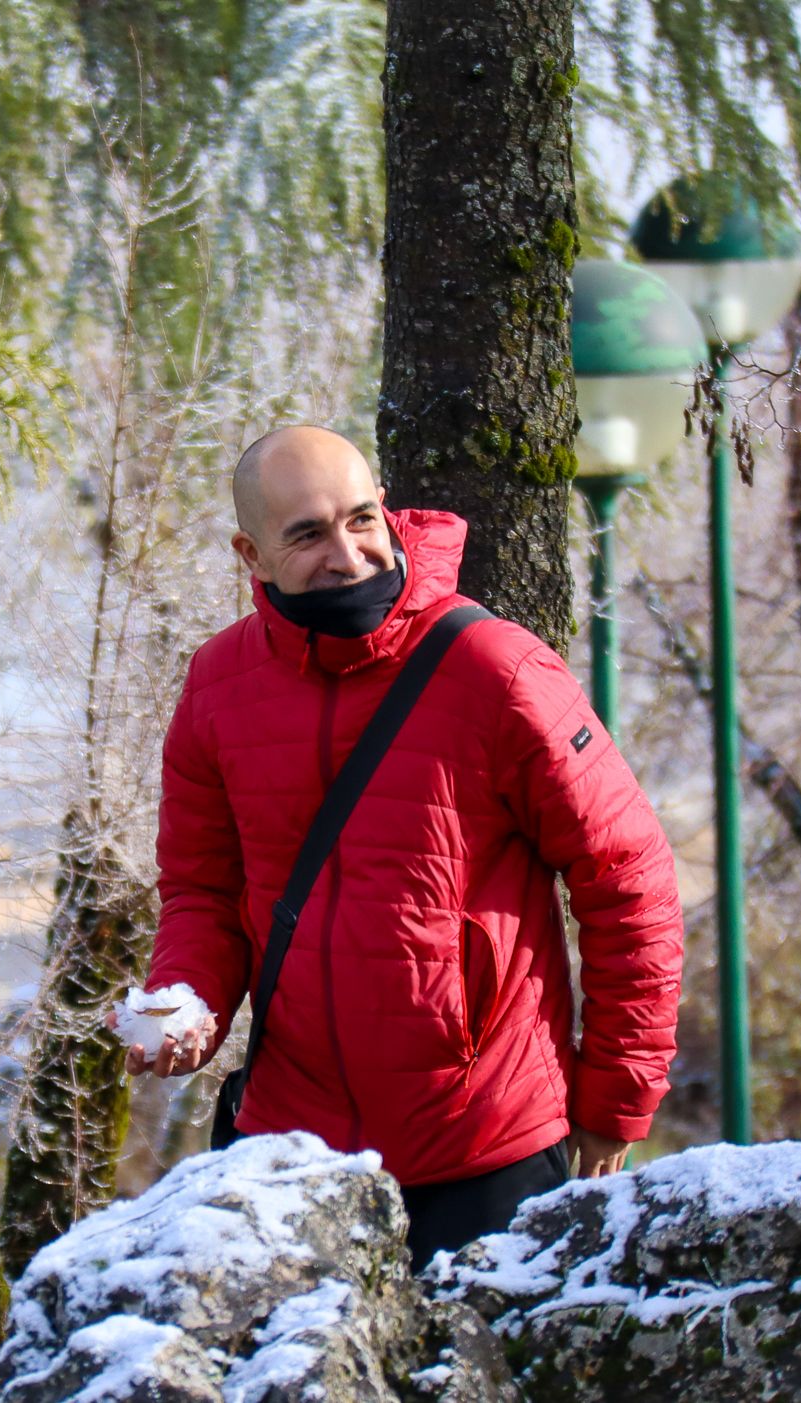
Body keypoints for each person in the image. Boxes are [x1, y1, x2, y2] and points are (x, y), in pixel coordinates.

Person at [120, 424, 686, 1270]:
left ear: (386, 511)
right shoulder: (217, 685)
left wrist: (616, 1095)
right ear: (253, 553)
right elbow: (202, 892)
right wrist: (184, 1004)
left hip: (488, 1148)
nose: (346, 554)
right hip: (290, 1153)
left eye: (360, 519)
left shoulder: (496, 669)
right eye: (306, 534)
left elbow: (628, 877)